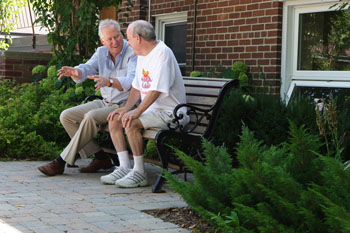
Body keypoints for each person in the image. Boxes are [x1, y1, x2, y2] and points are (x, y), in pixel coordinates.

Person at [37, 19, 137, 176]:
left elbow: (132, 81)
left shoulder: (132, 52)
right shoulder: (101, 52)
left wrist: (110, 82)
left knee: (90, 117)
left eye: (117, 36)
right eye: (109, 39)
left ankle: (61, 161)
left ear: (121, 34)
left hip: (125, 105)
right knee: (67, 116)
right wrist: (76, 72)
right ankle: (100, 157)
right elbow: (87, 68)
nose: (115, 42)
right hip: (105, 102)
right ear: (102, 41)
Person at [100, 20, 189, 188]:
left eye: (129, 38)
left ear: (138, 38)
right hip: (154, 112)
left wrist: (136, 112)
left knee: (131, 122)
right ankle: (125, 167)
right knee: (116, 118)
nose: (127, 42)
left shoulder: (163, 54)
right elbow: (136, 87)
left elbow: (155, 91)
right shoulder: (142, 55)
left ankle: (139, 173)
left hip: (172, 113)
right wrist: (125, 109)